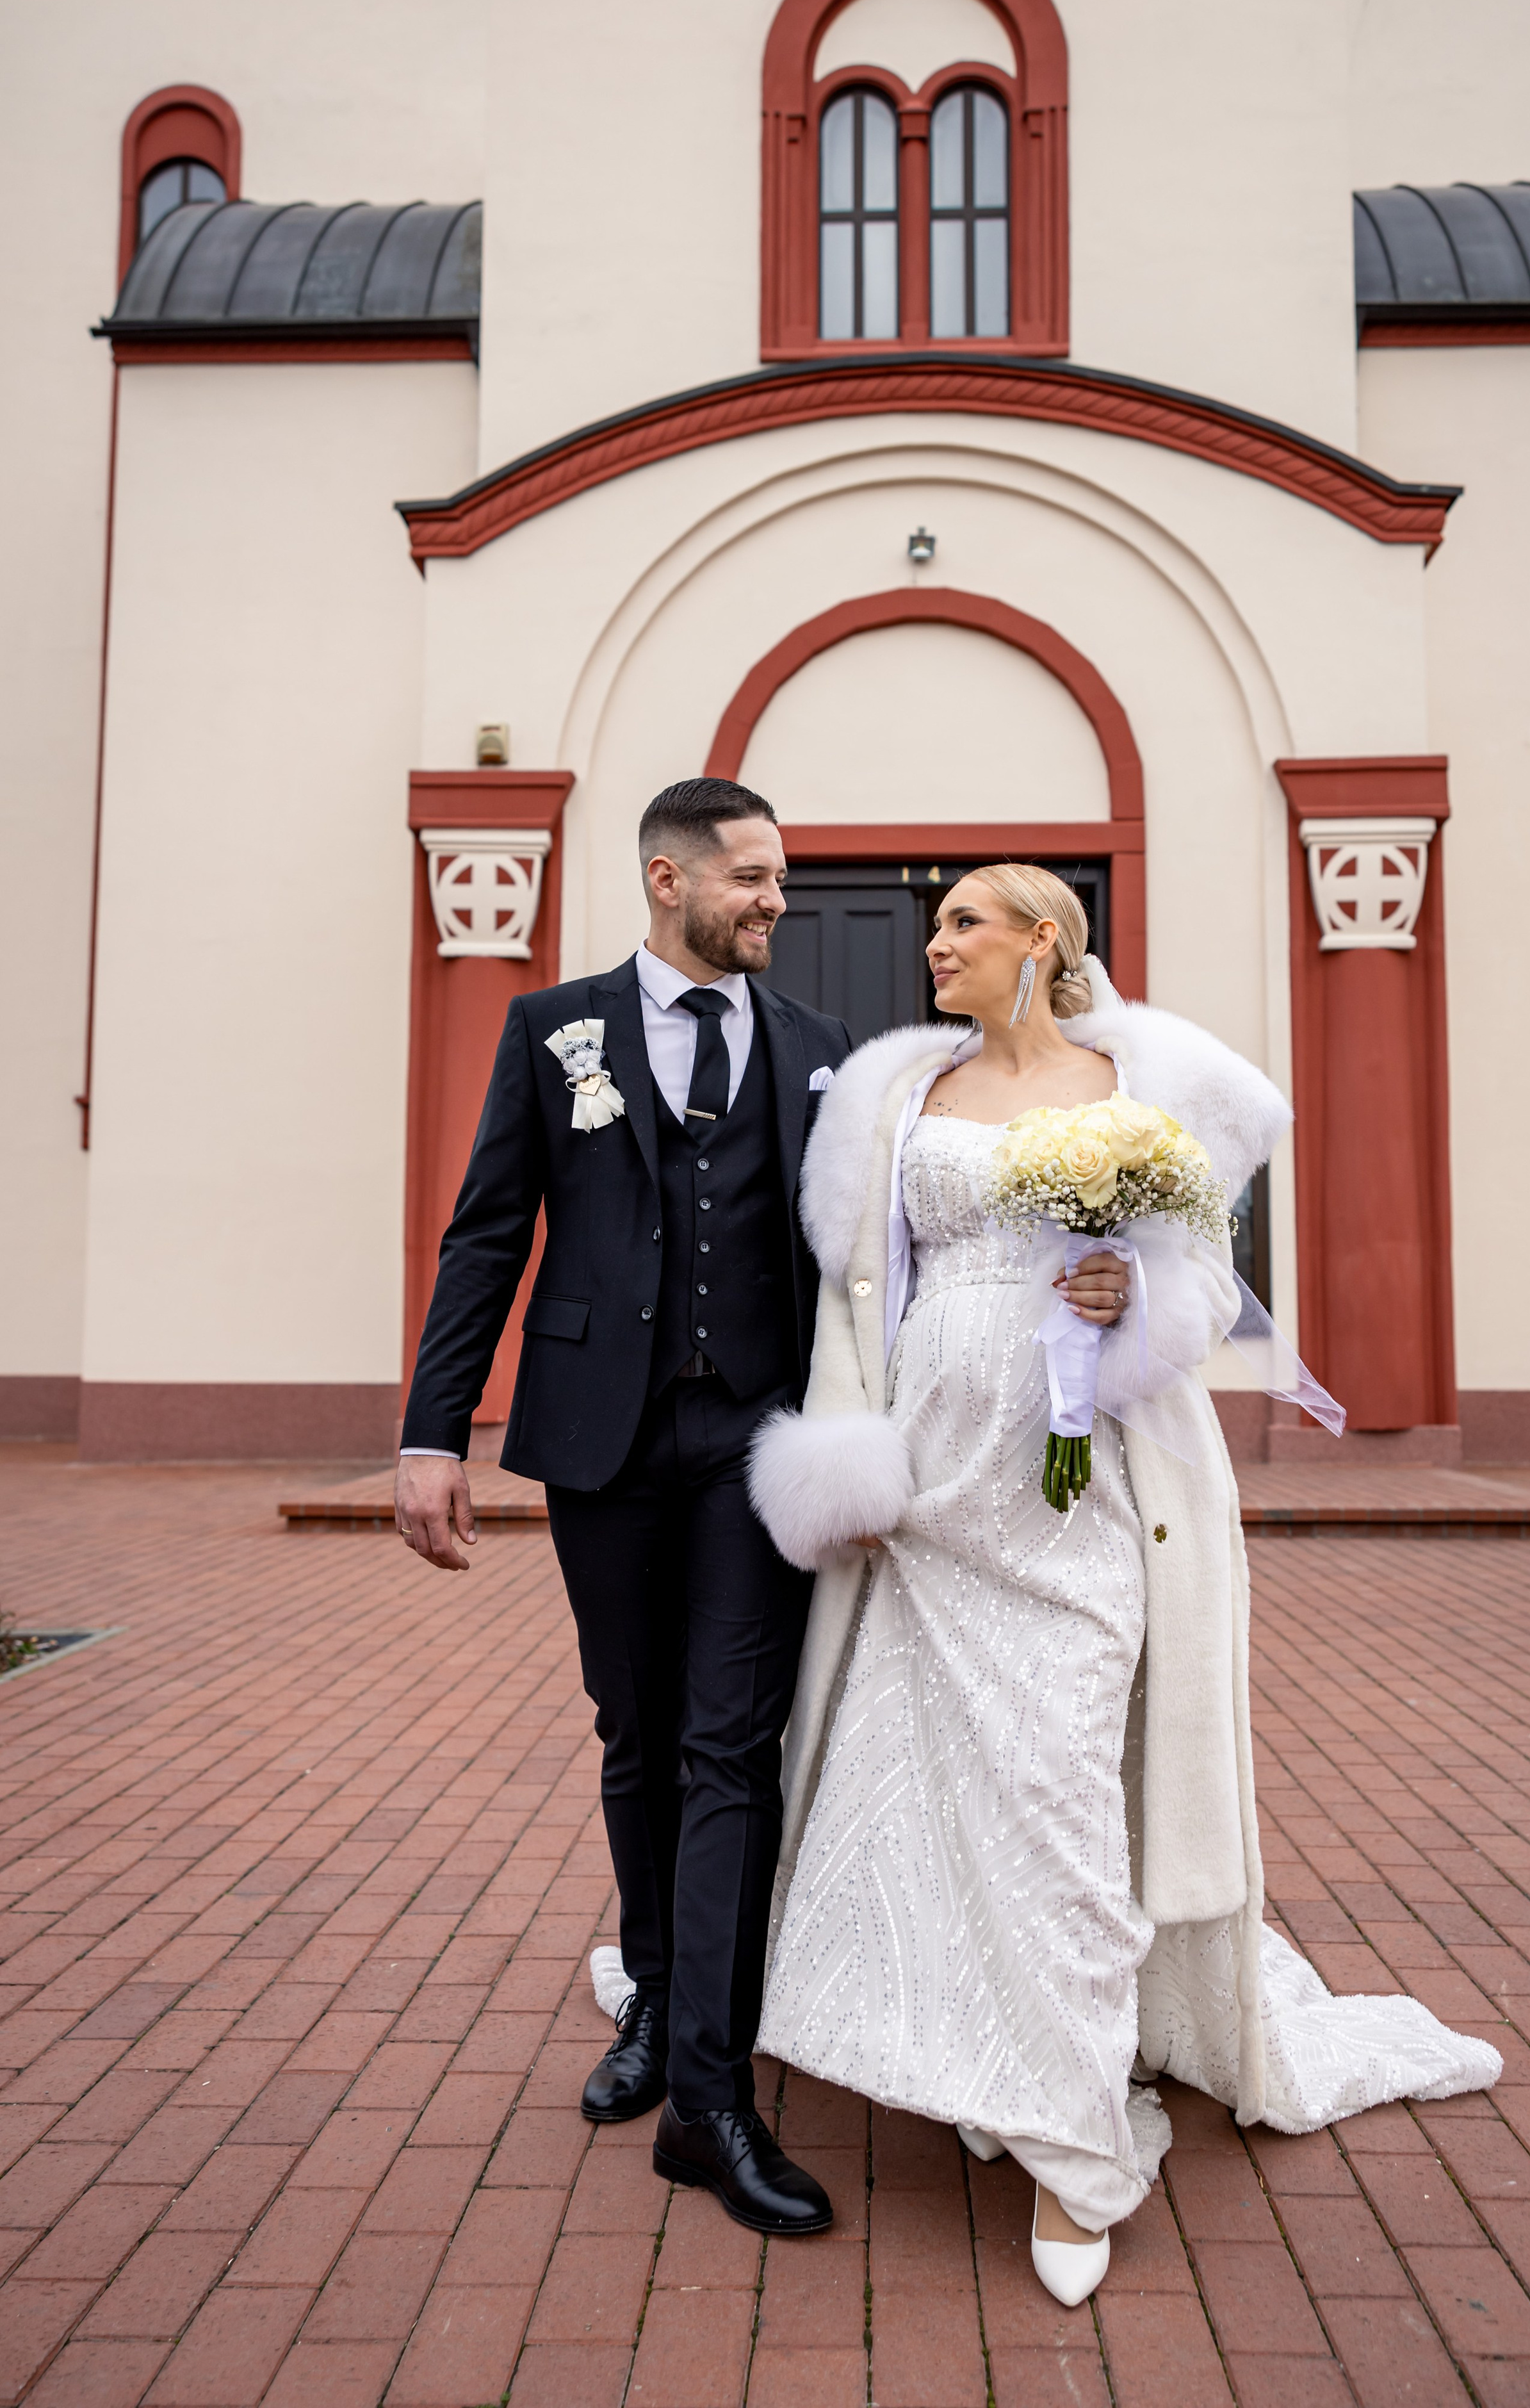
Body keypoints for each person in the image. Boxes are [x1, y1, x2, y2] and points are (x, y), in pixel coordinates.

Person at [740, 864, 1500, 2303]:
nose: (934, 944)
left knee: (1059, 1799)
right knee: (931, 1783)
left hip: (1076, 1495)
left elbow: (1204, 1286)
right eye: (934, 925)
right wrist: (851, 1462)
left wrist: (1125, 1296)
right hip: (931, 1489)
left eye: (964, 921)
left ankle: (1076, 2150)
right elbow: (854, 1287)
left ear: (1043, 939)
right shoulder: (897, 1094)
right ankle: (980, 2048)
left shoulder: (1136, 1083)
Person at [395, 779, 849, 2238]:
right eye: (757, 879)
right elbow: (484, 1238)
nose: (778, 900)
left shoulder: (815, 1049)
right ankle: (656, 2002)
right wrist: (428, 1434)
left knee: (733, 1747)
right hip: (600, 1434)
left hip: (754, 1442)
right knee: (637, 1736)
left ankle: (713, 2097)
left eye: (781, 878)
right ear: (669, 880)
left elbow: (871, 1259)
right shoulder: (555, 1030)